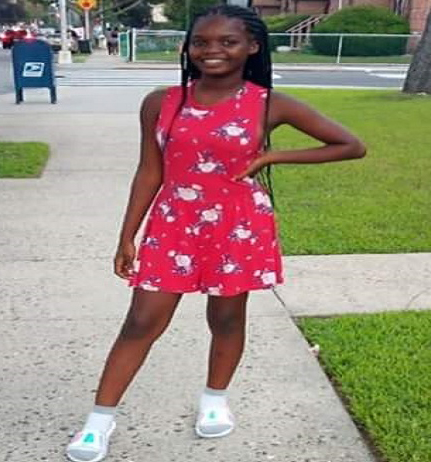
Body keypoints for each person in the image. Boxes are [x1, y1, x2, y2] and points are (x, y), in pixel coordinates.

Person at [66, 5, 366, 462]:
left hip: (238, 226)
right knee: (142, 321)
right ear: (188, 47)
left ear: (252, 47)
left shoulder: (269, 104)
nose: (212, 51)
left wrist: (271, 157)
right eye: (201, 42)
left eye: (228, 42)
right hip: (174, 224)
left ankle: (214, 399)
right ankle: (98, 422)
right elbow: (149, 171)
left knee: (226, 319)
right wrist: (127, 234)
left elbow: (350, 145)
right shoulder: (162, 102)